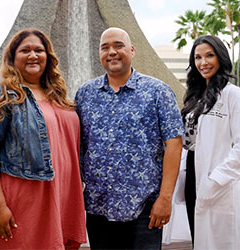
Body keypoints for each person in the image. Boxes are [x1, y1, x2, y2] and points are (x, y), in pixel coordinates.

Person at [0, 28, 86, 249]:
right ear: (12, 57)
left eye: (39, 50)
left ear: (48, 56)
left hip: (62, 195)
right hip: (23, 201)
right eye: (25, 50)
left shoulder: (58, 94)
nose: (33, 55)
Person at [75, 27, 184, 250]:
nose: (111, 52)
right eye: (105, 48)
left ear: (132, 50)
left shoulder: (158, 92)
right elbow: (78, 146)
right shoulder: (85, 94)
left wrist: (164, 199)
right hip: (99, 207)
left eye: (118, 45)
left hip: (144, 207)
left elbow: (174, 144)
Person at [181, 35, 240, 250]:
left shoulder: (233, 94)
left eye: (209, 56)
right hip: (193, 174)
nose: (203, 62)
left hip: (218, 179)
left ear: (221, 58)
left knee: (223, 240)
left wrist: (216, 179)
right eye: (198, 57)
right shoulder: (195, 95)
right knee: (200, 238)